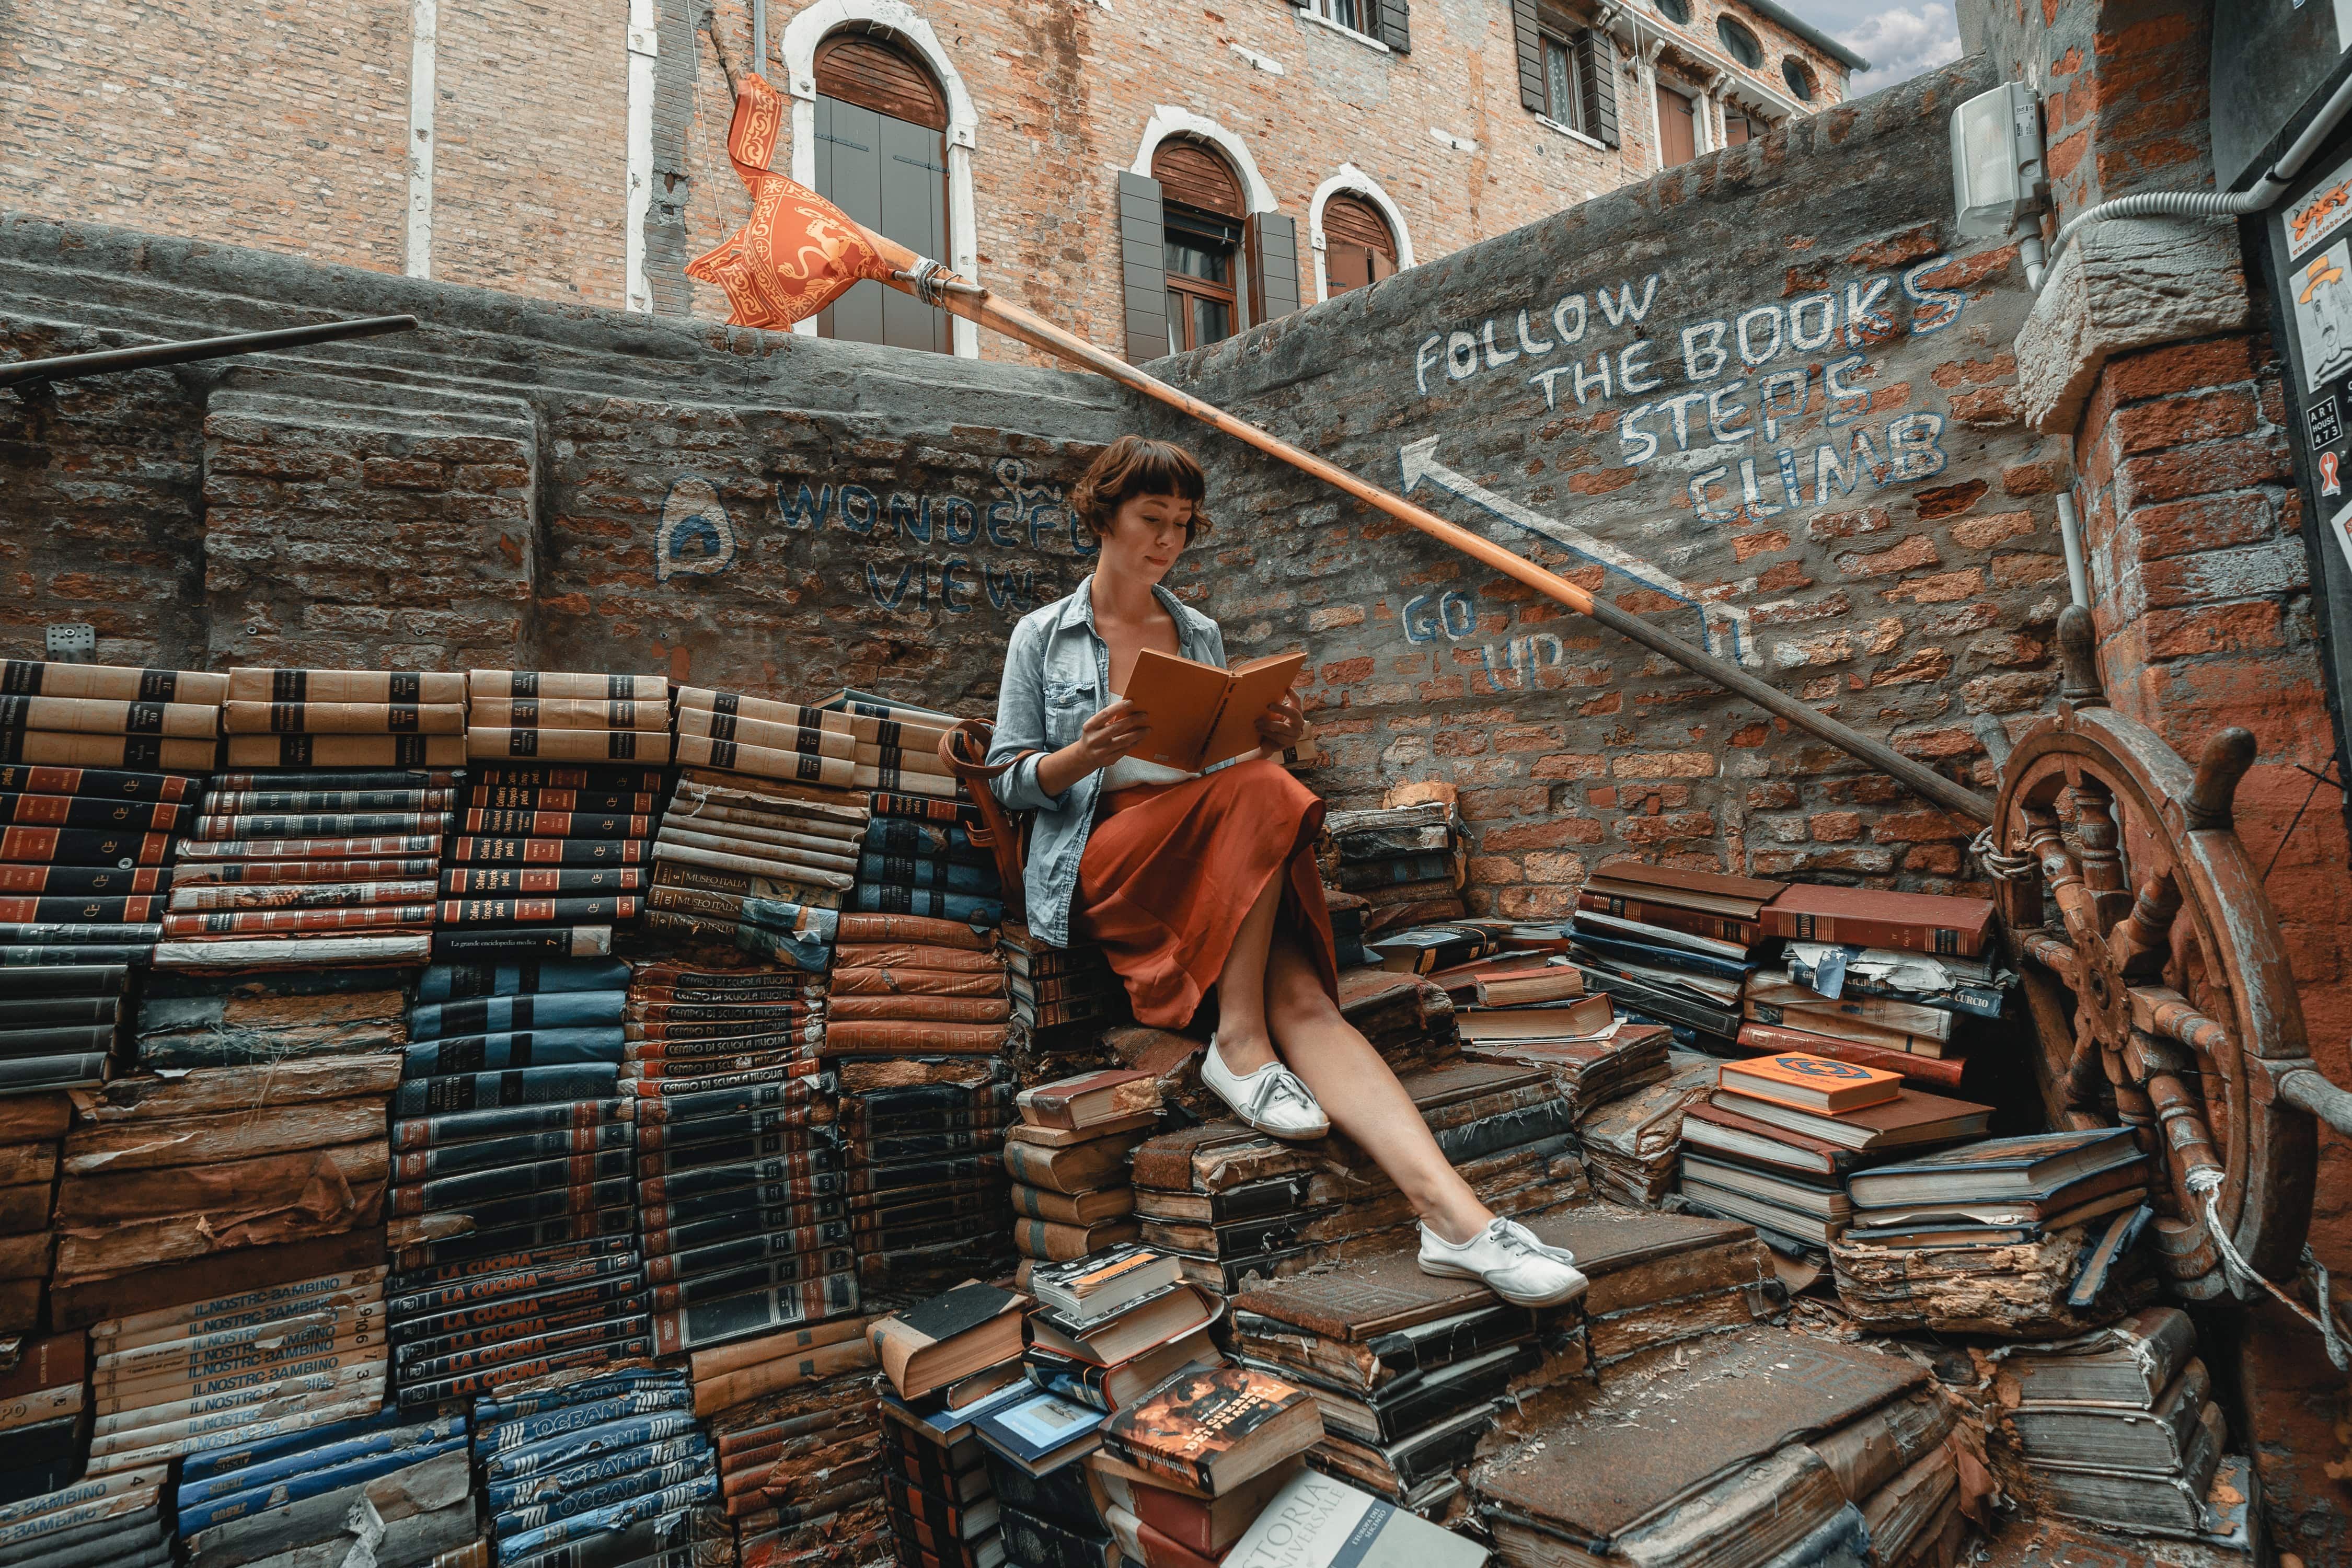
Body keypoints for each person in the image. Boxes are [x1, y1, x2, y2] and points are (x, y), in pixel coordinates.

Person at [986, 435, 1587, 1308]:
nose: (1167, 542)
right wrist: (1080, 754)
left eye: (1184, 527)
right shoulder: (1043, 637)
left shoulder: (1197, 632)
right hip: (1111, 856)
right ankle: (1238, 1043)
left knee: (1304, 991)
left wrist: (1267, 737)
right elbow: (1008, 781)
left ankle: (1454, 1222)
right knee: (1264, 796)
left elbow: (1211, 758)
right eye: (1152, 521)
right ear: (1103, 518)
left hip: (1209, 842)